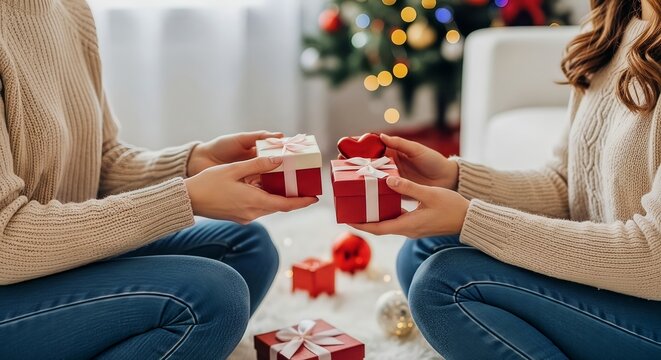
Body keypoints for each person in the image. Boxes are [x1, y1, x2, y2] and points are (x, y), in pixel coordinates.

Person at [0, 0, 318, 358]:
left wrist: (193, 162)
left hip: (54, 261)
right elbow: (5, 240)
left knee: (248, 246)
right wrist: (185, 198)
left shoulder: (69, 8)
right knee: (213, 297)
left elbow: (100, 160)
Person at [353, 0, 661, 358]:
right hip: (621, 286)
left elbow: (654, 256)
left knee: (444, 285)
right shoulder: (618, 23)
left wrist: (472, 219)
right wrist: (455, 179)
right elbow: (567, 185)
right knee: (422, 251)